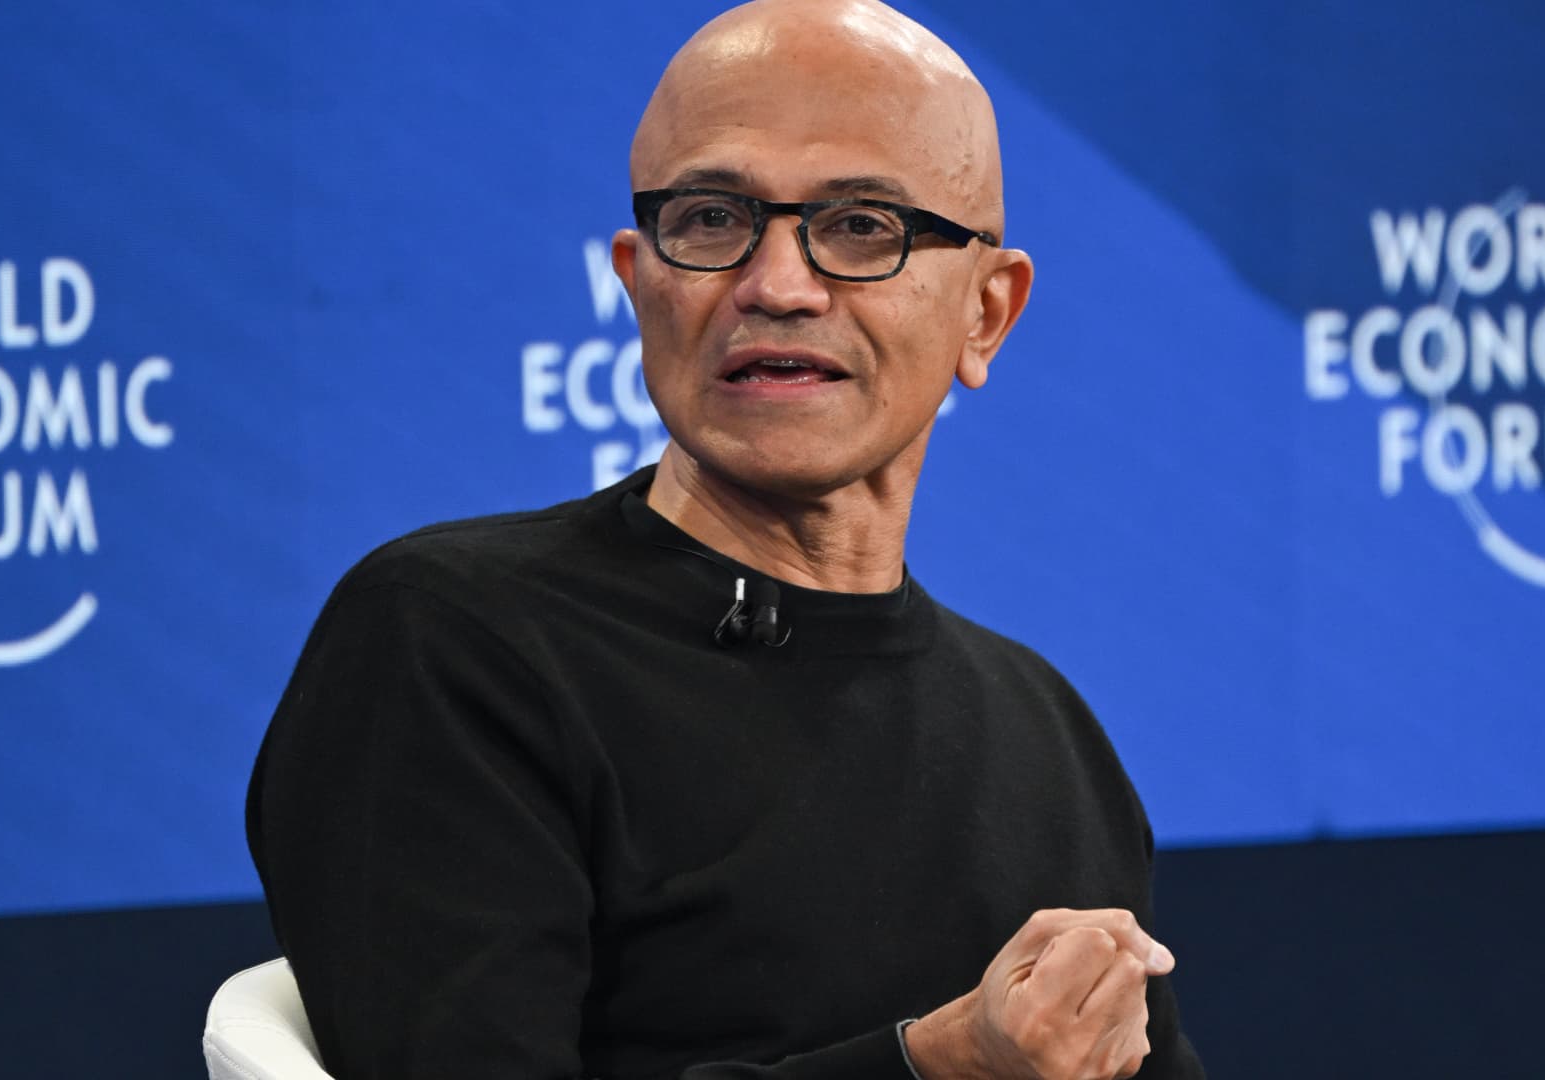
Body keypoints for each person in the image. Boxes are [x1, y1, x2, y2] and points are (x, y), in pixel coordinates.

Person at [247, 1, 1203, 1077]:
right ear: (637, 283)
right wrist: (934, 1066)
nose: (777, 286)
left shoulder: (1045, 736)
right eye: (710, 219)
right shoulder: (456, 643)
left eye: (862, 227)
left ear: (986, 312)